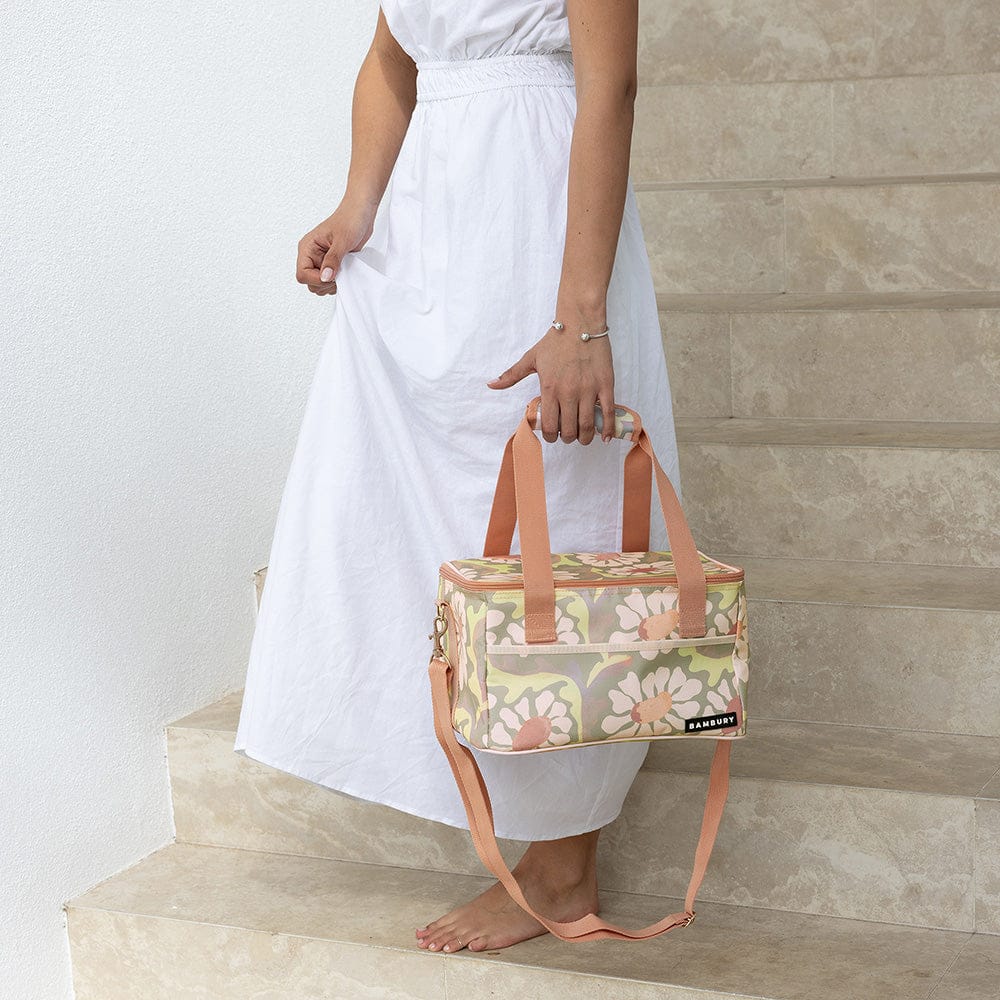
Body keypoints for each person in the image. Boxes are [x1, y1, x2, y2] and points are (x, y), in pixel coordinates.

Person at [233, 0, 684, 955]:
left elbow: (610, 85)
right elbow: (391, 58)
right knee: (403, 517)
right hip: (429, 230)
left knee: (564, 516)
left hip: (536, 213)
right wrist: (357, 208)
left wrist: (582, 318)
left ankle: (564, 865)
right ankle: (483, 783)